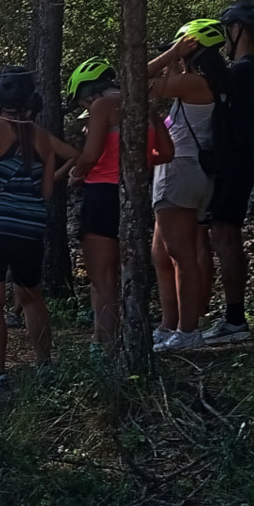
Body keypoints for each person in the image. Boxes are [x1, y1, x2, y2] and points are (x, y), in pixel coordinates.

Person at [0, 66, 76, 394]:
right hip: (30, 226)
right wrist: (53, 177)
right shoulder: (41, 136)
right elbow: (71, 160)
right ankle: (44, 364)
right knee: (32, 298)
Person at [63, 57, 175, 356]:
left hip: (101, 194)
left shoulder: (102, 106)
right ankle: (123, 341)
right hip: (133, 196)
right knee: (127, 273)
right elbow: (166, 153)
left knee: (103, 280)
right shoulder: (145, 107)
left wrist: (76, 174)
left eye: (82, 103)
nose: (85, 108)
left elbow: (90, 155)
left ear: (88, 92)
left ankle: (105, 346)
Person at [147, 19, 229, 352]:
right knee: (162, 254)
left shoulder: (194, 82)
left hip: (180, 170)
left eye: (182, 50)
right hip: (194, 172)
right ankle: (169, 325)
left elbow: (137, 81)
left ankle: (188, 329)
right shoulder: (212, 83)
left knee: (181, 255)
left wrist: (171, 55)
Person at [201, 0, 254, 345]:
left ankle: (234, 319)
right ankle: (232, 316)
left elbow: (220, 82)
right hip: (232, 162)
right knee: (223, 235)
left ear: (237, 29)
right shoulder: (245, 71)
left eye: (227, 29)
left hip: (234, 163)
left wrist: (200, 53)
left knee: (226, 236)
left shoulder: (247, 70)